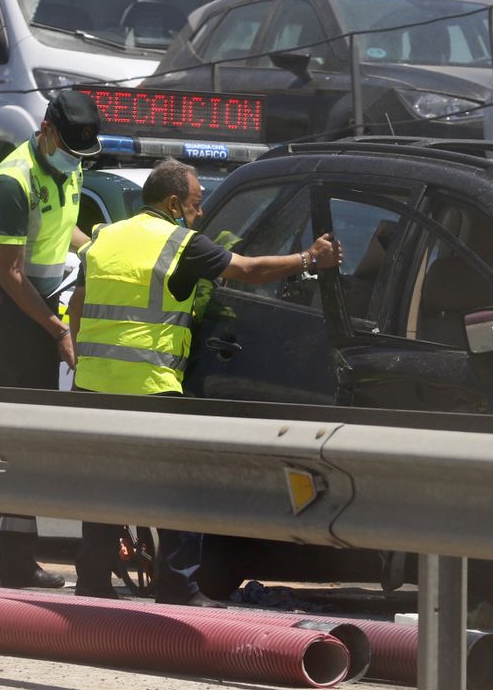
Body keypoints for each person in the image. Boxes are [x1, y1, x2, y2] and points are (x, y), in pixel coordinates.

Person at [68, 158, 341, 605]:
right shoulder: (181, 243)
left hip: (94, 387)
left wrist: (82, 362)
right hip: (151, 387)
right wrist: (309, 258)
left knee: (102, 486)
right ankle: (178, 586)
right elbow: (250, 270)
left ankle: (93, 582)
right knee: (180, 485)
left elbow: (79, 303)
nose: (198, 214)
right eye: (195, 205)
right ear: (174, 202)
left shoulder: (106, 238)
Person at [0, 88, 102, 588]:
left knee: (27, 440)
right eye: (69, 148)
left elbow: (64, 228)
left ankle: (18, 556)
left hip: (34, 315)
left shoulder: (69, 164)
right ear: (48, 130)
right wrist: (59, 329)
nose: (75, 160)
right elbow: (11, 274)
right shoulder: (11, 183)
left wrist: (101, 243)